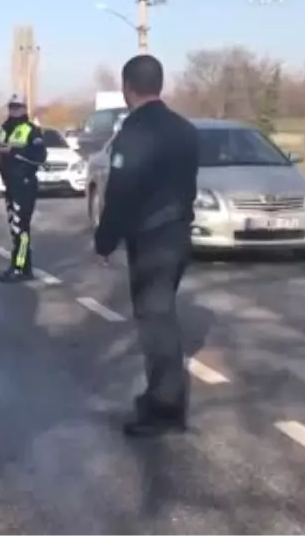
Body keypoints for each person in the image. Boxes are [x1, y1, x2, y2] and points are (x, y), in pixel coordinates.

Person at [92, 54, 199, 437]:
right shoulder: (185, 129)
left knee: (156, 321)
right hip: (178, 235)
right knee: (161, 314)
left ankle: (165, 407)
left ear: (128, 87)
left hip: (152, 240)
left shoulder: (135, 133)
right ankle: (162, 397)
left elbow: (120, 193)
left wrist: (105, 240)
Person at [0, 94, 47, 282]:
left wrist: (15, 151)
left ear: (25, 109)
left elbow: (39, 157)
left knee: (21, 228)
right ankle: (21, 266)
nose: (13, 111)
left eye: (17, 107)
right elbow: (2, 151)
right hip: (10, 184)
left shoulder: (31, 130)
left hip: (24, 185)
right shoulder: (4, 129)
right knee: (14, 228)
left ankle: (20, 267)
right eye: (11, 107)